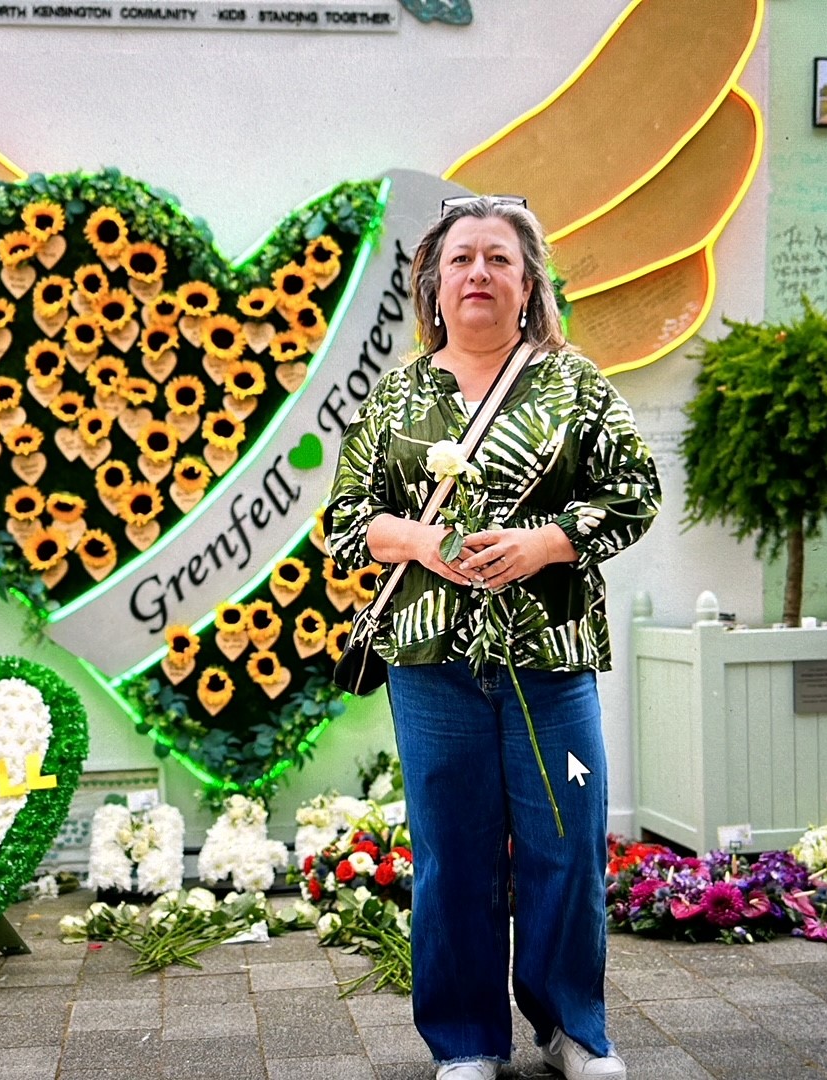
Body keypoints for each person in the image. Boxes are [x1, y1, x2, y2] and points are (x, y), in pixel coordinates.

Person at [325, 195, 662, 1080]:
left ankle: (573, 1030)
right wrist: (422, 542)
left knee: (567, 840)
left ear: (528, 283)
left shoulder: (575, 383)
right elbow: (347, 520)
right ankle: (467, 1042)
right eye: (463, 259)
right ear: (434, 283)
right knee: (452, 852)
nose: (479, 273)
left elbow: (636, 492)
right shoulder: (395, 396)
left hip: (551, 655)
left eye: (499, 260)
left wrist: (547, 542)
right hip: (431, 663)